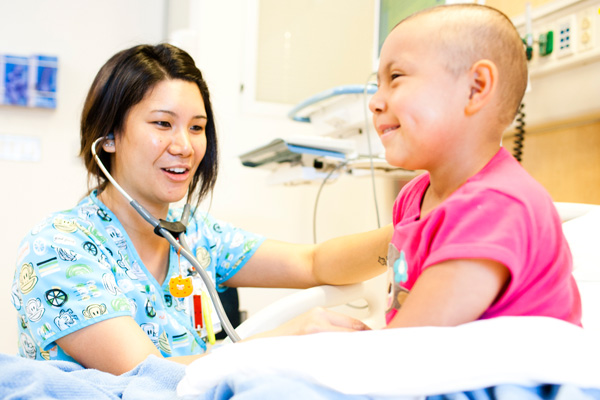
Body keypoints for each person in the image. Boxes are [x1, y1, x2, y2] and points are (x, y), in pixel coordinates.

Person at [11, 43, 391, 375]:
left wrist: (414, 230)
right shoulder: (57, 249)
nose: (185, 146)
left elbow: (314, 263)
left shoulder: (195, 236)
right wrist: (286, 338)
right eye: (163, 123)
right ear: (108, 136)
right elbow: (147, 374)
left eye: (197, 127)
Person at [369, 4, 581, 329]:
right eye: (377, 84)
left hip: (507, 378)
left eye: (395, 78)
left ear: (476, 87)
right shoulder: (415, 198)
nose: (375, 101)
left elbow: (409, 346)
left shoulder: (496, 206)